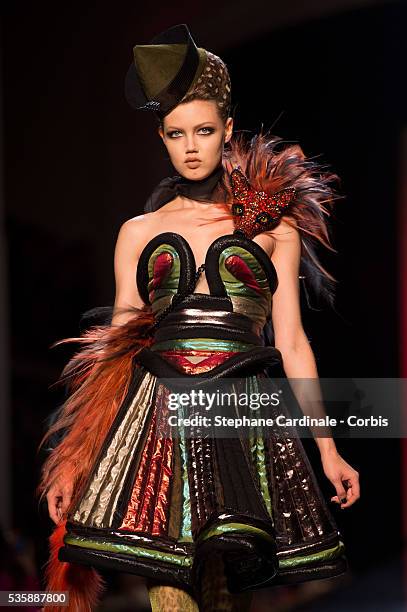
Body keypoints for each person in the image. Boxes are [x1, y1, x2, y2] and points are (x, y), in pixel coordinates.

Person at [36, 23, 360, 612]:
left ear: (227, 132)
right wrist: (77, 462)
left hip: (239, 419)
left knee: (219, 592)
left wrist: (329, 447)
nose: (191, 146)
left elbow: (291, 339)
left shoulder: (273, 228)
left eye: (204, 131)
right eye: (177, 133)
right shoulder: (138, 233)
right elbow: (115, 354)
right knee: (172, 593)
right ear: (161, 137)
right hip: (157, 422)